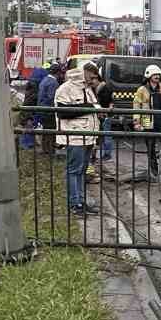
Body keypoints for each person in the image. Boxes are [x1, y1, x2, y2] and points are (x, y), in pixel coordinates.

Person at [56, 61, 102, 214]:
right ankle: (75, 203)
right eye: (93, 76)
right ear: (85, 73)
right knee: (74, 170)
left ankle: (81, 202)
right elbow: (62, 112)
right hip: (75, 137)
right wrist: (89, 108)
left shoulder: (87, 89)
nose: (94, 80)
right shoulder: (66, 89)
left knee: (82, 170)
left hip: (87, 137)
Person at [133, 64, 161, 181]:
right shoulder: (141, 90)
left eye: (158, 74)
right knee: (151, 148)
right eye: (155, 74)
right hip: (149, 124)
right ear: (149, 76)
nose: (157, 76)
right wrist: (137, 122)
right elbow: (136, 106)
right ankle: (153, 169)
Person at [37, 63, 63, 155]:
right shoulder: (53, 83)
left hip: (42, 109)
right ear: (58, 73)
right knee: (51, 131)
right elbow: (52, 98)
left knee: (45, 131)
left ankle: (45, 149)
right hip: (49, 111)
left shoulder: (44, 80)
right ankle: (50, 151)